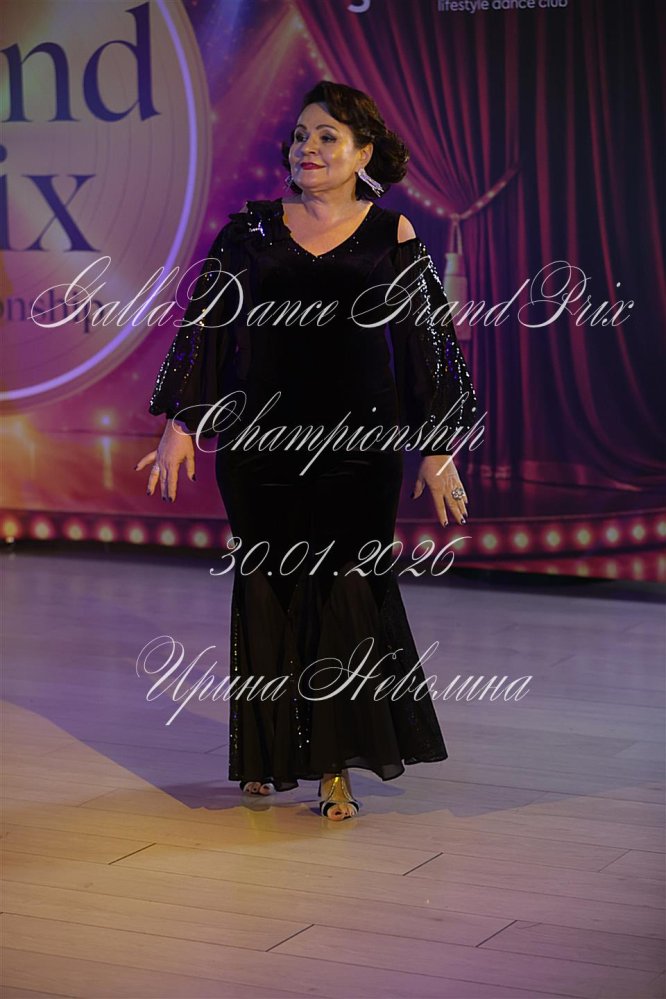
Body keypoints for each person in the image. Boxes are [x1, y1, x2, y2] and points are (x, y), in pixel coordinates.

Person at [136, 80, 479, 821]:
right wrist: (182, 423)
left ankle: (334, 768)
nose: (308, 148)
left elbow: (426, 345)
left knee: (346, 592)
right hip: (261, 444)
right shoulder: (251, 231)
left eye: (327, 136)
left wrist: (435, 446)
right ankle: (265, 757)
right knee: (270, 586)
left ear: (363, 153)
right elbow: (207, 327)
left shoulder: (392, 235)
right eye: (300, 135)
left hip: (360, 445)